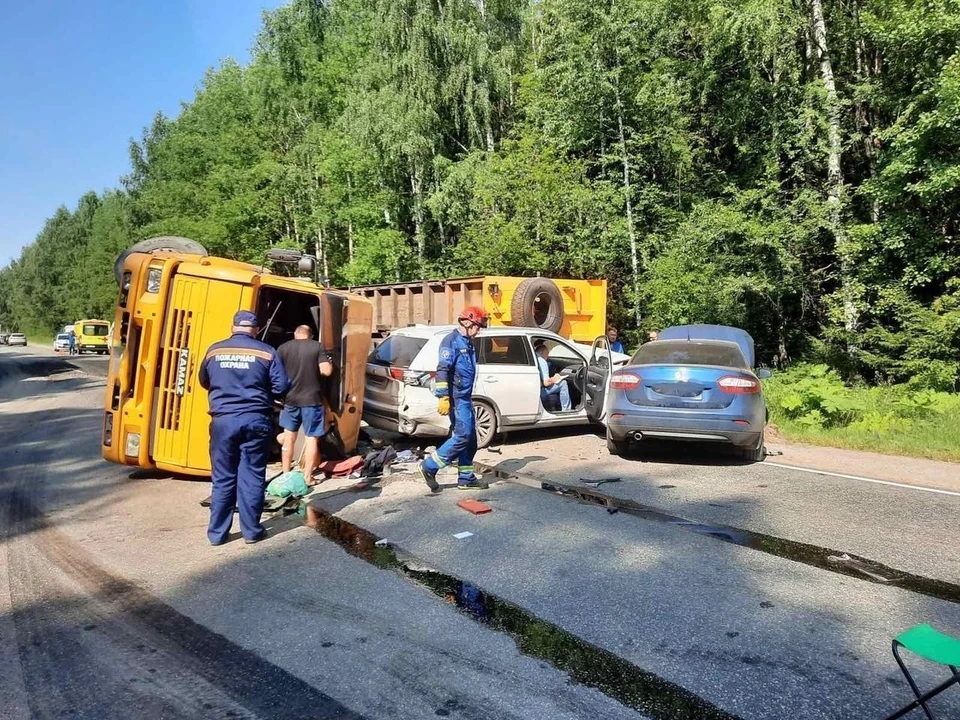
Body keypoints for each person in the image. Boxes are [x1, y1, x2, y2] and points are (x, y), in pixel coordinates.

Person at [199, 310, 290, 546]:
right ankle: (251, 532)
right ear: (256, 330)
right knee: (251, 475)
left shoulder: (214, 350)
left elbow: (204, 381)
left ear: (233, 327)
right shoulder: (266, 352)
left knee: (223, 477)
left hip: (223, 421)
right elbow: (281, 387)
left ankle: (217, 535)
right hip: (255, 419)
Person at [418, 306, 489, 492]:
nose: (478, 330)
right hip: (456, 399)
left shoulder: (468, 341)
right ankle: (429, 466)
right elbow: (443, 369)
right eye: (477, 326)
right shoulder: (451, 341)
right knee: (463, 435)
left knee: (471, 439)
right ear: (466, 322)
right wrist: (443, 397)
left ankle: (466, 478)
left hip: (465, 397)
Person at [277, 324, 333, 484]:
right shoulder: (317, 347)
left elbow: (275, 374)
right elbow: (326, 371)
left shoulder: (283, 348)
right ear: (310, 336)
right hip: (312, 400)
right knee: (311, 439)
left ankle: (285, 475)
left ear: (295, 334)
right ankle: (307, 477)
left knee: (288, 438)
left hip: (290, 400)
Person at [534, 340, 572, 411]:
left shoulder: (535, 358)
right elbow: (546, 383)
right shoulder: (542, 361)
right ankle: (566, 410)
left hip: (535, 390)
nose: (548, 356)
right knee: (563, 383)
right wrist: (555, 378)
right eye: (547, 353)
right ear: (542, 352)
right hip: (541, 392)